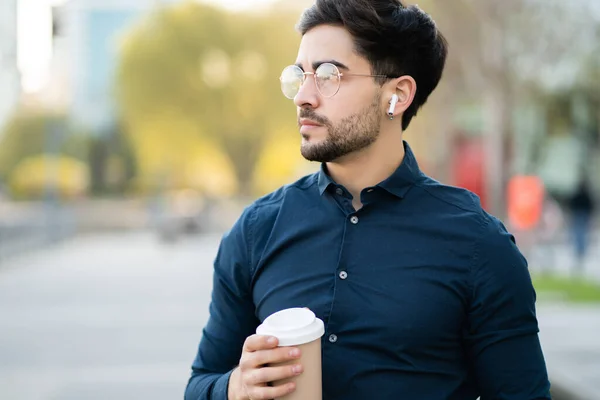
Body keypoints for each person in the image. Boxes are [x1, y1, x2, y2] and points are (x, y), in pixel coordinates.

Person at [185, 1, 551, 399]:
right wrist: (233, 388)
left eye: (328, 75)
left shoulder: (479, 244)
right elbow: (200, 383)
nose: (303, 96)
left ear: (397, 95)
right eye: (299, 75)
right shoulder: (257, 231)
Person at [568, 175, 596, 270]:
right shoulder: (584, 194)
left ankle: (580, 251)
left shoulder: (581, 194)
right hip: (581, 215)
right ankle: (580, 251)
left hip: (580, 215)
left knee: (579, 234)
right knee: (581, 234)